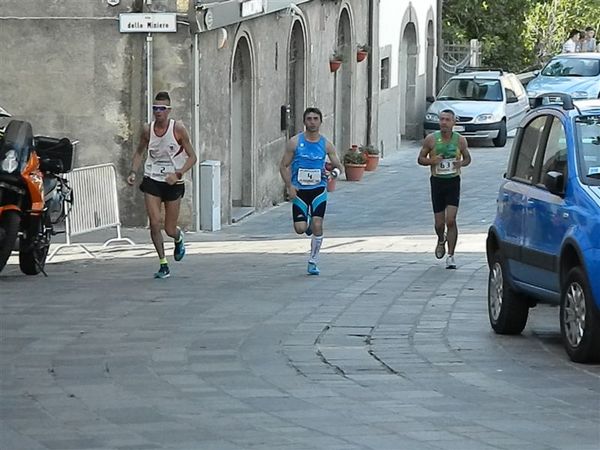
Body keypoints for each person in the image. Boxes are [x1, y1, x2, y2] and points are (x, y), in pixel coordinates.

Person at [127, 91, 197, 279]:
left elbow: (193, 157)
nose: (158, 112)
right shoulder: (147, 130)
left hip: (173, 182)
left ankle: (178, 237)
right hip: (152, 179)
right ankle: (163, 263)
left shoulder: (178, 129)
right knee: (155, 223)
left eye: (162, 109)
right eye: (155, 108)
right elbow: (140, 152)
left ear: (169, 111)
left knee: (169, 228)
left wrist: (178, 173)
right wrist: (133, 172)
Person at [279, 107, 343, 275]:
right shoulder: (295, 142)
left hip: (318, 190)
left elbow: (339, 166)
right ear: (304, 121)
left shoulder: (326, 144)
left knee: (317, 224)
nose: (312, 122)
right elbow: (283, 166)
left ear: (321, 122)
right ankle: (307, 225)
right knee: (300, 229)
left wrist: (332, 174)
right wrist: (289, 186)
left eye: (315, 119)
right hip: (299, 190)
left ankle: (313, 261)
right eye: (309, 119)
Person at [418, 109, 471, 269]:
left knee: (451, 220)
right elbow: (420, 159)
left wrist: (460, 163)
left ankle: (451, 256)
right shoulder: (431, 139)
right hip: (437, 182)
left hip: (453, 181)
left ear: (454, 122)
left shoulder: (460, 140)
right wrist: (432, 161)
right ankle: (441, 239)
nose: (443, 123)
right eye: (441, 119)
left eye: (447, 120)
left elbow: (468, 158)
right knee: (439, 224)